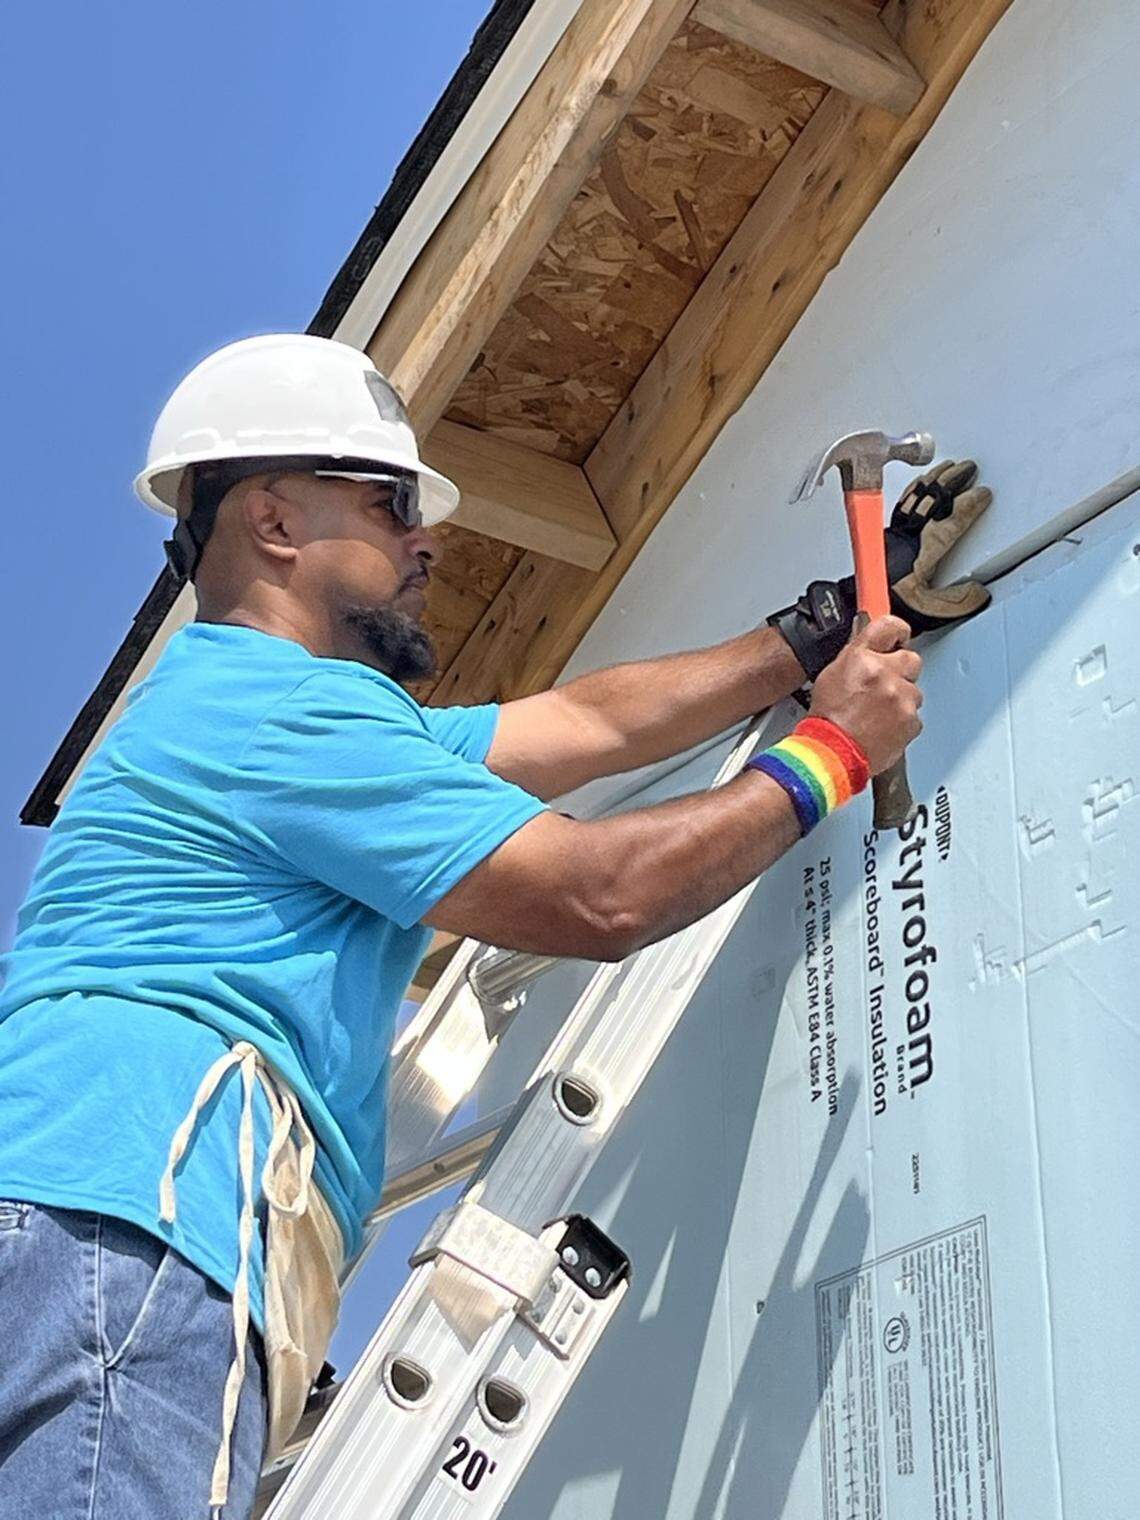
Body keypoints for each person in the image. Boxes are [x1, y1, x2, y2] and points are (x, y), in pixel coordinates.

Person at [0, 334, 992, 1518]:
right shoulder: (283, 720)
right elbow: (596, 894)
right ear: (271, 520)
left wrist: (812, 632)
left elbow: (578, 722)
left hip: (73, 1223)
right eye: (388, 502)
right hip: (134, 1226)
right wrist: (832, 748)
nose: (425, 538)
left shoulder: (252, 710)